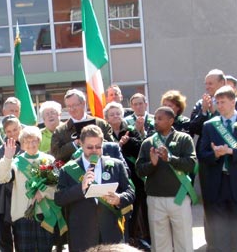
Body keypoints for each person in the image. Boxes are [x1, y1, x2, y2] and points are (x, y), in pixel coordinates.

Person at [198, 86, 237, 251]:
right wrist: (216, 154)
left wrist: (231, 151)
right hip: (218, 184)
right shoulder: (209, 125)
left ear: (233, 102)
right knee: (219, 234)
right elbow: (202, 155)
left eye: (223, 102)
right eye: (217, 102)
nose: (219, 105)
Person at [55, 125, 135, 251]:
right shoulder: (68, 169)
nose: (94, 150)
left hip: (111, 232)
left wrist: (119, 199)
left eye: (98, 147)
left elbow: (130, 192)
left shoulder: (116, 165)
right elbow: (59, 199)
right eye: (89, 147)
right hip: (82, 234)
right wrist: (80, 187)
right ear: (81, 144)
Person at [136, 106, 197, 252]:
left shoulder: (184, 139)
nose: (155, 121)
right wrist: (153, 164)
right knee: (159, 242)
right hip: (155, 198)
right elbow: (139, 170)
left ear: (171, 120)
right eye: (155, 118)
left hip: (179, 197)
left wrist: (170, 159)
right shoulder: (148, 142)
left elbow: (191, 165)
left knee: (184, 240)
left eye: (160, 118)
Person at [0, 126, 62, 251]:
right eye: (26, 141)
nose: (31, 144)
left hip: (45, 214)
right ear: (22, 144)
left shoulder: (48, 160)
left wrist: (43, 191)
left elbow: (57, 185)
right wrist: (7, 158)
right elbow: (1, 178)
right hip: (23, 215)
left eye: (34, 140)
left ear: (39, 141)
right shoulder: (15, 162)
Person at [103, 102, 147, 248]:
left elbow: (140, 148)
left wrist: (127, 143)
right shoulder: (104, 135)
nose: (116, 116)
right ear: (106, 118)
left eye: (118, 113)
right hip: (113, 179)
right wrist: (118, 146)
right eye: (112, 114)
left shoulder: (130, 131)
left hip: (133, 178)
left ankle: (133, 238)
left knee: (133, 210)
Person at [50, 89, 114, 162]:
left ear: (83, 103)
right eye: (68, 106)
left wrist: (95, 142)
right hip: (74, 171)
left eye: (74, 105)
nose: (72, 109)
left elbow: (111, 146)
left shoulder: (101, 124)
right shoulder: (60, 131)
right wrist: (74, 144)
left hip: (100, 167)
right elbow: (55, 154)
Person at [189, 69, 237, 151]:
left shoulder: (236, 102)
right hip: (209, 154)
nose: (207, 87)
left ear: (222, 83)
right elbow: (193, 129)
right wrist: (203, 112)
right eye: (206, 84)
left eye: (210, 84)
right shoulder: (201, 103)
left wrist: (214, 113)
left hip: (232, 149)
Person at [0, 115, 23, 252]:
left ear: (20, 128)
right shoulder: (2, 149)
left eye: (15, 130)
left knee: (21, 236)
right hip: (7, 197)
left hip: (24, 196)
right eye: (9, 131)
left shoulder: (28, 144)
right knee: (5, 237)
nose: (12, 134)